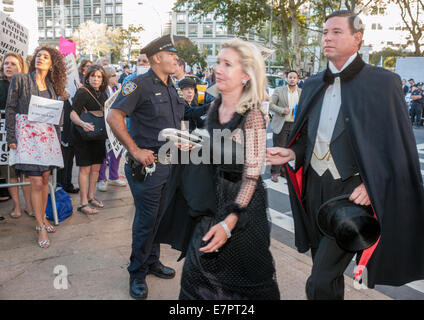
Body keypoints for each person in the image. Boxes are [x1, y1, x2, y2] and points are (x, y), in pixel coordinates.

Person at [266, 10, 424, 299]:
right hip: (313, 191)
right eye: (325, 32)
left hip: (351, 195)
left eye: (336, 32)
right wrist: (290, 152)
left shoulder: (384, 82)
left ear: (357, 39)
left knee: (319, 281)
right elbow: (307, 139)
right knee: (328, 274)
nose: (327, 37)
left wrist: (371, 184)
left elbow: (398, 147)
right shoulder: (312, 83)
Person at [157, 38, 280, 300]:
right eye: (218, 62)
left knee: (237, 289)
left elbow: (252, 174)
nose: (218, 69)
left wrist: (231, 221)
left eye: (228, 64)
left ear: (246, 75)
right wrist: (192, 145)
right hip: (210, 204)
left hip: (241, 209)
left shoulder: (254, 116)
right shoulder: (216, 106)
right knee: (195, 283)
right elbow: (213, 147)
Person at [107, 34, 186, 300]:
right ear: (156, 58)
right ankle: (137, 272)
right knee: (146, 220)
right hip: (147, 166)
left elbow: (179, 118)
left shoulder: (170, 85)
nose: (176, 58)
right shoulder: (137, 84)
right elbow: (114, 115)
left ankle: (152, 262)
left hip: (169, 163)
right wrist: (135, 149)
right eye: (171, 54)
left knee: (159, 218)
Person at [6, 46, 67, 248]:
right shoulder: (20, 79)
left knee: (46, 179)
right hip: (27, 136)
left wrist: (57, 140)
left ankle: (42, 217)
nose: (41, 58)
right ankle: (40, 225)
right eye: (39, 55)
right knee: (36, 182)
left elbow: (56, 116)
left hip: (47, 138)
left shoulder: (51, 86)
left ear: (52, 64)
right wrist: (11, 136)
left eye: (46, 57)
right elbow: (10, 108)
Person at [70, 65, 108, 215]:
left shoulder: (103, 94)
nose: (96, 79)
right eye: (93, 76)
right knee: (85, 169)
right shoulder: (82, 92)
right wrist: (83, 124)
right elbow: (73, 114)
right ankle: (83, 202)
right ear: (88, 77)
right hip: (83, 136)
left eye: (99, 76)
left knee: (96, 168)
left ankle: (91, 197)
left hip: (98, 135)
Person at [0, 53, 33, 219]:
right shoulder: (0, 85)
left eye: (13, 64)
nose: (8, 66)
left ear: (20, 67)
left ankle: (29, 205)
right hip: (4, 137)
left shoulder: (27, 84)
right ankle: (17, 206)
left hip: (25, 133)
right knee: (10, 173)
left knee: (26, 172)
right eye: (6, 63)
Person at [269, 70, 302, 182]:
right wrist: (282, 110)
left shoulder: (301, 92)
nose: (292, 79)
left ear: (297, 79)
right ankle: (274, 172)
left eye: (294, 77)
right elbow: (270, 104)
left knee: (288, 150)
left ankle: (283, 171)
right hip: (281, 124)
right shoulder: (279, 90)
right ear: (286, 78)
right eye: (290, 77)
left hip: (294, 125)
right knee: (278, 149)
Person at [97, 66, 126, 192]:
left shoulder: (116, 89)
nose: (116, 77)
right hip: (104, 127)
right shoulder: (101, 91)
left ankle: (113, 176)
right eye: (113, 75)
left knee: (117, 152)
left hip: (116, 126)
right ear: (108, 78)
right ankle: (102, 179)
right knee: (103, 154)